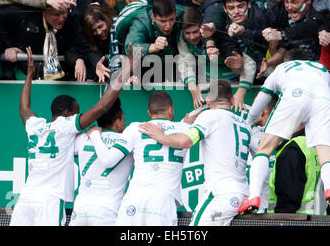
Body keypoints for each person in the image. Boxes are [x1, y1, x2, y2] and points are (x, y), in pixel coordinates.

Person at [9, 42, 140, 226]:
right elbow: (103, 107)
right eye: (77, 112)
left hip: (26, 198)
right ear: (67, 114)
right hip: (50, 200)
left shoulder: (35, 126)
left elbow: (25, 108)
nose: (79, 118)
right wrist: (126, 71)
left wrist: (29, 75)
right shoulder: (66, 126)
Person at [238, 49, 330, 216]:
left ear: (286, 61)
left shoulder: (282, 69)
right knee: (327, 157)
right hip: (324, 101)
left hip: (294, 96)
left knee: (264, 150)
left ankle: (254, 197)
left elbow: (262, 100)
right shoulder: (322, 70)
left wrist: (246, 123)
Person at [139, 80, 251, 226]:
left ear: (208, 101)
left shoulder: (210, 115)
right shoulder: (245, 124)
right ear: (232, 100)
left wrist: (161, 137)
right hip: (242, 195)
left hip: (220, 194)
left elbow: (186, 141)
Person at [86, 91, 192, 225]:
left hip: (134, 199)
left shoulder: (135, 128)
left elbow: (108, 160)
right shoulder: (186, 129)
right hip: (162, 201)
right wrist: (186, 124)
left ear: (149, 112)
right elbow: (176, 131)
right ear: (170, 110)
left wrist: (95, 135)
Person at [70, 98, 133, 226]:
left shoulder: (83, 138)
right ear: (117, 122)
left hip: (80, 209)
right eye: (123, 120)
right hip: (107, 211)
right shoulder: (127, 141)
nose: (125, 123)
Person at [0, 2, 88, 81]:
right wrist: (9, 45)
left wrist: (78, 59)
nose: (61, 18)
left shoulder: (73, 19)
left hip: (62, 79)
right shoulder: (27, 14)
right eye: (56, 14)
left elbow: (77, 46)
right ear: (44, 12)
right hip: (26, 73)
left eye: (64, 13)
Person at [80, 4, 117, 82]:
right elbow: (92, 53)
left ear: (107, 20)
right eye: (94, 30)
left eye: (100, 26)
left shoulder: (119, 28)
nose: (99, 32)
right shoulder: (92, 39)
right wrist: (97, 64)